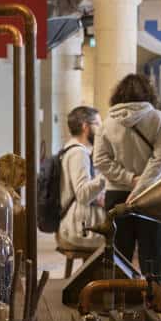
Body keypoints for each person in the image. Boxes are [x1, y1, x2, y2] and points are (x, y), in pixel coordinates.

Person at [93, 74, 161, 275]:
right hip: (153, 194)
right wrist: (141, 184)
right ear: (148, 93)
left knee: (118, 257)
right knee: (154, 258)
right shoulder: (157, 119)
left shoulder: (107, 123)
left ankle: (118, 300)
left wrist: (129, 179)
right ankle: (156, 302)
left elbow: (100, 160)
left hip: (117, 195)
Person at [57, 106, 105, 250]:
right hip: (76, 229)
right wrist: (107, 175)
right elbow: (83, 195)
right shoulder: (79, 153)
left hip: (76, 223)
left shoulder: (71, 149)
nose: (101, 130)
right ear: (85, 126)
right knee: (128, 237)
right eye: (98, 125)